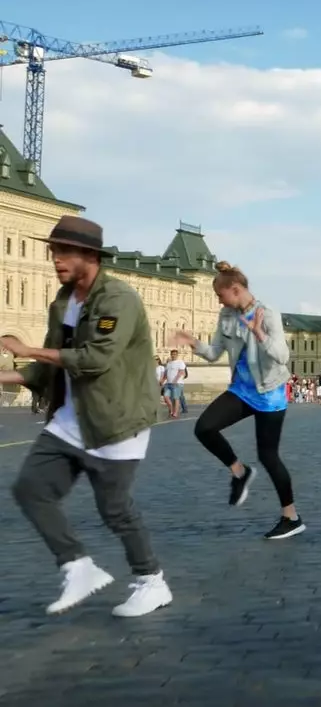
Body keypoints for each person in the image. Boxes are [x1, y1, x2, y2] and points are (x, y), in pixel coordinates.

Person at [0, 217, 172, 617]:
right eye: (53, 251)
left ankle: (152, 582)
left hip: (116, 420)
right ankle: (77, 567)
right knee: (31, 489)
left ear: (90, 256)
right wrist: (10, 370)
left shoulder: (119, 299)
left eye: (64, 252)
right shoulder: (62, 302)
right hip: (69, 420)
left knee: (115, 510)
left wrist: (27, 350)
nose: (55, 259)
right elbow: (45, 370)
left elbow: (97, 357)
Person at [175, 262, 302, 541]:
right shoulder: (227, 316)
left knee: (269, 456)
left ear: (236, 289)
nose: (218, 301)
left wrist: (259, 333)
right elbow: (213, 353)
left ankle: (291, 517)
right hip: (242, 390)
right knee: (204, 428)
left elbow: (282, 356)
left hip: (269, 393)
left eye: (221, 295)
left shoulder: (268, 314)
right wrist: (192, 342)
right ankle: (239, 472)